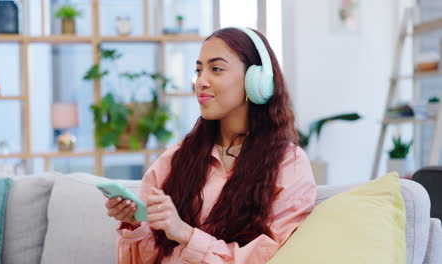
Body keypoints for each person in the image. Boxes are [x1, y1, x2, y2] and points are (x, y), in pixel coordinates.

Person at [105, 27, 317, 264]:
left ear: (256, 81)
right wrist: (136, 225)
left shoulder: (289, 164)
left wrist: (186, 235)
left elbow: (272, 255)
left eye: (216, 69)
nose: (201, 81)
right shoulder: (177, 157)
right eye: (198, 70)